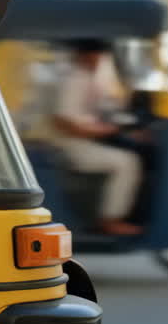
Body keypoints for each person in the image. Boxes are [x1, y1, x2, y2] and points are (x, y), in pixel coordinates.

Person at [48, 39, 144, 236]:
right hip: (70, 146)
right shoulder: (74, 78)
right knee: (127, 162)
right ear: (86, 54)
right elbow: (65, 123)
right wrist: (108, 131)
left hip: (80, 141)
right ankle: (110, 220)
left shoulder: (87, 76)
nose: (99, 59)